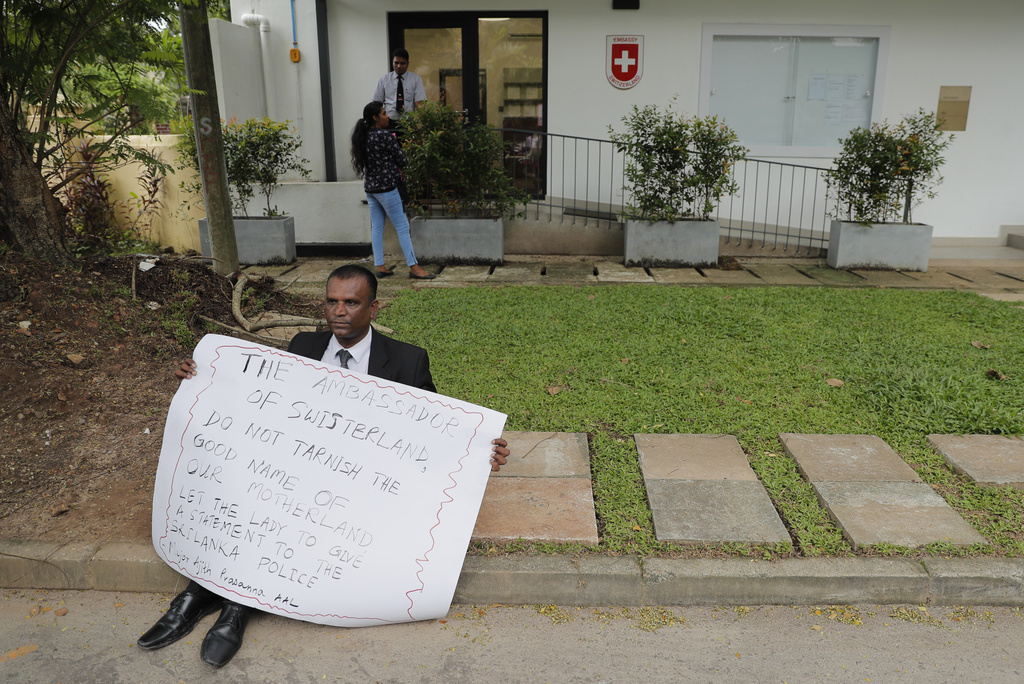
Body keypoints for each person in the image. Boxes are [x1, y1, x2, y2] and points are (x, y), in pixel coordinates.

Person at [137, 264, 510, 668]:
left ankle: (235, 610)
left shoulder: (407, 361)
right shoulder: (303, 346)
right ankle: (193, 597)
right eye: (332, 301)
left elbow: (436, 432)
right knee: (254, 493)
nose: (339, 311)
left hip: (358, 486)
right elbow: (260, 397)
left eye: (351, 302)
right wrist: (201, 377)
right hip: (294, 470)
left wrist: (480, 452)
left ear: (374, 307)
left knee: (297, 516)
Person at [351, 100, 434, 280]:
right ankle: (414, 267)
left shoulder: (362, 137)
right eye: (384, 113)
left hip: (371, 189)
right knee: (403, 227)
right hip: (387, 188)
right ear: (375, 117)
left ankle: (380, 265)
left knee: (377, 227)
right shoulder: (385, 136)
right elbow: (403, 161)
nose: (387, 116)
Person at [371, 48, 426, 128]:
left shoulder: (415, 79)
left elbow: (419, 103)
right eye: (396, 63)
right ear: (392, 62)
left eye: (402, 63)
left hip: (408, 122)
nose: (399, 66)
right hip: (388, 122)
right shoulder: (384, 79)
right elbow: (377, 103)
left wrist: (425, 123)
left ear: (408, 64)